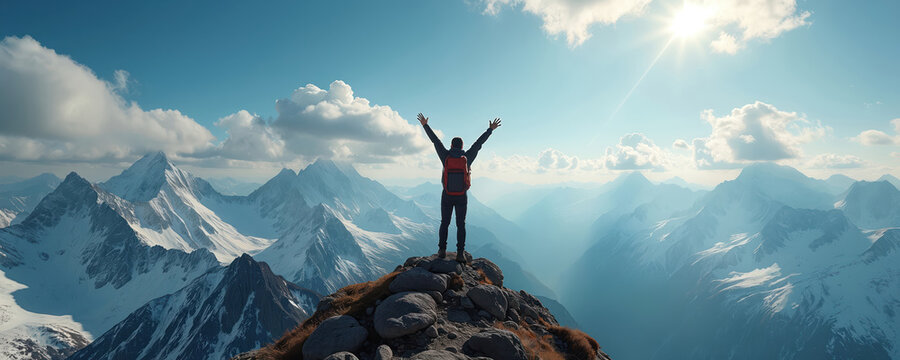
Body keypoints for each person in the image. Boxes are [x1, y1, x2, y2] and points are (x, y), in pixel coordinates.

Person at [417, 112, 501, 263]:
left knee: (445, 223)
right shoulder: (467, 157)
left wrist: (425, 125)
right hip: (462, 196)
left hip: (447, 195)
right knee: (460, 224)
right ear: (462, 146)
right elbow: (478, 144)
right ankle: (460, 253)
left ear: (451, 145)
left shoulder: (445, 156)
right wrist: (490, 130)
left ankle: (442, 250)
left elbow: (435, 141)